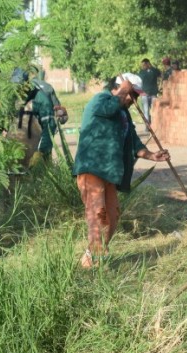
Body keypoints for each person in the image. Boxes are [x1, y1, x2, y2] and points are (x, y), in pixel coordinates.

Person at [72, 73, 170, 268]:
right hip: (92, 168)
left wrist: (152, 155)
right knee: (98, 213)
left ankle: (93, 256)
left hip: (109, 172)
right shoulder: (101, 100)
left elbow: (133, 141)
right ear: (120, 87)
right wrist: (125, 89)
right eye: (132, 95)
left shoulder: (123, 113)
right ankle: (93, 263)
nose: (133, 100)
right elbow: (108, 110)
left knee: (112, 216)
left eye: (135, 96)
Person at [137, 58, 161, 123]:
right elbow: (138, 83)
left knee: (154, 110)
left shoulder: (154, 70)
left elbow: (159, 73)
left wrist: (152, 67)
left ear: (148, 64)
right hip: (144, 94)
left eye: (144, 65)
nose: (143, 66)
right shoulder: (141, 72)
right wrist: (140, 93)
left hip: (153, 94)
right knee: (146, 111)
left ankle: (154, 124)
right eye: (142, 65)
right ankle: (148, 126)